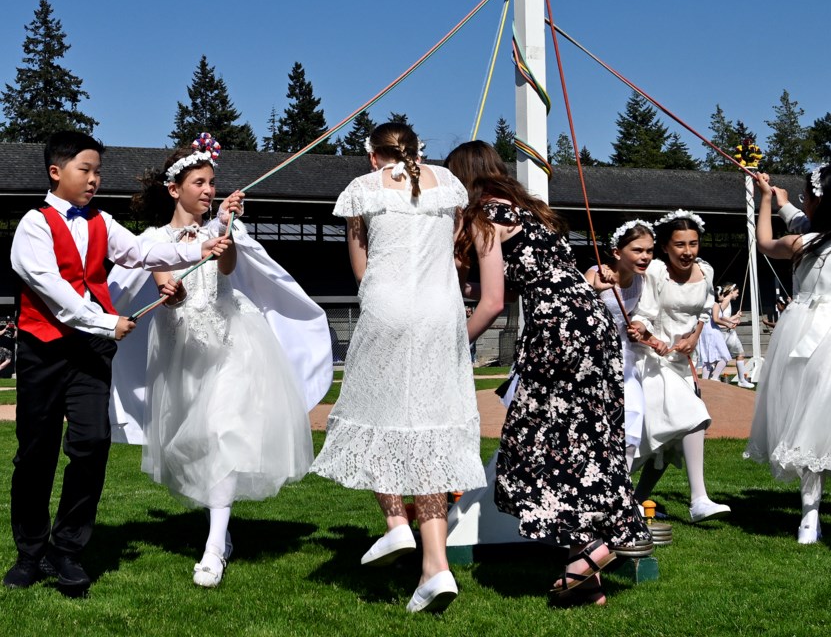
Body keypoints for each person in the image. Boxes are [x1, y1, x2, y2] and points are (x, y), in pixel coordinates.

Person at [5, 131, 229, 595]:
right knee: (36, 452)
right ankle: (30, 552)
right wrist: (106, 323)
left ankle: (67, 550)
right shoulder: (33, 226)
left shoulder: (102, 222)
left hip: (89, 353)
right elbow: (55, 292)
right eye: (85, 170)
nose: (93, 179)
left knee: (91, 443)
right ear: (56, 172)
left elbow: (144, 252)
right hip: (43, 351)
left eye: (97, 172)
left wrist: (197, 249)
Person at [108, 135, 333, 588]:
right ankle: (222, 531)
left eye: (212, 183)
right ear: (175, 189)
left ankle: (213, 551)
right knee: (198, 445)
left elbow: (227, 267)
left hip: (233, 342)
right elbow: (168, 291)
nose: (209, 190)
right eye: (199, 182)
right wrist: (170, 293)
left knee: (223, 431)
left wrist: (224, 229)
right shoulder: (154, 240)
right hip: (183, 351)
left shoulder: (222, 229)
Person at [445, 141, 649, 607]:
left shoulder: (485, 216)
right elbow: (534, 272)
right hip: (590, 324)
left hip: (557, 328)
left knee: (532, 447)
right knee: (585, 439)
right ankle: (587, 576)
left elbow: (493, 301)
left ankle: (602, 544)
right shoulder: (526, 209)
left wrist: (455, 343)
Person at [311, 123, 485, 613]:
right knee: (428, 429)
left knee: (376, 413)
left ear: (372, 155)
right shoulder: (448, 184)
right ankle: (437, 567)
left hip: (388, 307)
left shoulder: (363, 189)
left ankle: (395, 524)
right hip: (438, 311)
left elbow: (361, 264)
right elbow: (454, 247)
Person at [744, 165, 831, 556]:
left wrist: (767, 202)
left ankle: (809, 522)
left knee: (810, 422)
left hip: (803, 333)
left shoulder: (801, 243)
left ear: (817, 200)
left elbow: (763, 241)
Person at [626, 210, 732, 523]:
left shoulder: (706, 270)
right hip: (653, 361)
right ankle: (699, 500)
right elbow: (644, 314)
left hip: (684, 362)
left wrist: (695, 337)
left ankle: (635, 499)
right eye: (680, 245)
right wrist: (641, 329)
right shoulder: (656, 271)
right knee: (694, 416)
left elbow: (703, 313)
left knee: (668, 445)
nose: (687, 251)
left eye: (693, 244)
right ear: (665, 248)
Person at [584, 218, 655, 468]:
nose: (645, 256)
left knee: (634, 411)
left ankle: (622, 480)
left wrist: (641, 326)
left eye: (649, 250)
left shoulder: (642, 279)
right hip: (594, 355)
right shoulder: (595, 273)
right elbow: (577, 313)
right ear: (617, 252)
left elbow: (643, 313)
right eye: (637, 250)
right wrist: (594, 289)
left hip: (625, 354)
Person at [715, 284, 754, 388]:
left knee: (737, 354)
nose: (738, 295)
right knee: (732, 355)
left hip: (728, 331)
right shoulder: (726, 300)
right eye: (737, 292)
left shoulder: (727, 301)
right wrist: (730, 322)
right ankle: (739, 380)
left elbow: (724, 317)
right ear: (732, 292)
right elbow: (718, 316)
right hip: (726, 332)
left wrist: (735, 318)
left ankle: (740, 380)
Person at [695, 295, 732, 382]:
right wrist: (727, 325)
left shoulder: (702, 304)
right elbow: (716, 319)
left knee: (706, 359)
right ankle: (714, 377)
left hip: (703, 331)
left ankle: (705, 380)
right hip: (713, 331)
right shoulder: (714, 304)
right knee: (725, 356)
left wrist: (730, 321)